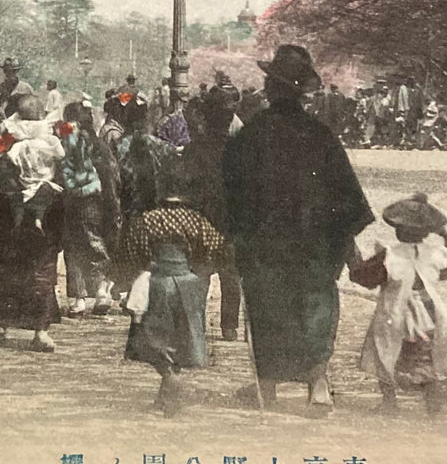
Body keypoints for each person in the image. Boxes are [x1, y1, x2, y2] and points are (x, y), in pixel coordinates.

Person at [222, 45, 373, 415]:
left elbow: (231, 196)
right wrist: (348, 245)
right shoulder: (321, 136)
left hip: (265, 243)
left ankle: (267, 385)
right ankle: (318, 384)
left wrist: (234, 238)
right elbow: (345, 195)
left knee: (267, 306)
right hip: (315, 244)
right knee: (316, 306)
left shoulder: (249, 138)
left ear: (271, 89)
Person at [350, 194, 447, 414]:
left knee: (384, 351)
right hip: (427, 313)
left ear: (397, 230)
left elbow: (363, 277)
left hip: (394, 312)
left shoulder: (389, 255)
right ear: (427, 232)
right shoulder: (434, 254)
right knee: (423, 354)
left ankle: (389, 401)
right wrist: (445, 234)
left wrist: (353, 254)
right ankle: (431, 400)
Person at [116, 194, 228, 417]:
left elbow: (130, 253)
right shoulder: (196, 219)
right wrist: (198, 271)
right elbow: (218, 249)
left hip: (158, 283)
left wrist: (132, 276)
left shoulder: (146, 220)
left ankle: (169, 377)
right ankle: (165, 395)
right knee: (179, 338)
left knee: (151, 338)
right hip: (188, 284)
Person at [0, 93, 65, 351]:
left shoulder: (8, 134)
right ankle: (40, 331)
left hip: (11, 211)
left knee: (8, 272)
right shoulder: (53, 132)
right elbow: (68, 152)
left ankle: (2, 326)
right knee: (41, 273)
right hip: (45, 207)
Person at [180, 86, 243, 341]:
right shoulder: (240, 151)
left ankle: (196, 325)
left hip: (201, 223)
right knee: (231, 278)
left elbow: (184, 188)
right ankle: (229, 327)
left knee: (199, 277)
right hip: (231, 223)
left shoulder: (193, 150)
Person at [57, 100, 114, 317]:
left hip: (70, 199)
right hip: (95, 200)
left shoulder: (66, 136)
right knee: (96, 243)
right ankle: (102, 291)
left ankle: (78, 298)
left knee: (72, 248)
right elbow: (109, 172)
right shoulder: (98, 143)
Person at [0, 57, 35, 142]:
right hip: (2, 127)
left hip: (22, 128)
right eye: (6, 71)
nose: (10, 74)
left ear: (17, 72)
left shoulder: (26, 89)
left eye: (13, 71)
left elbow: (34, 110)